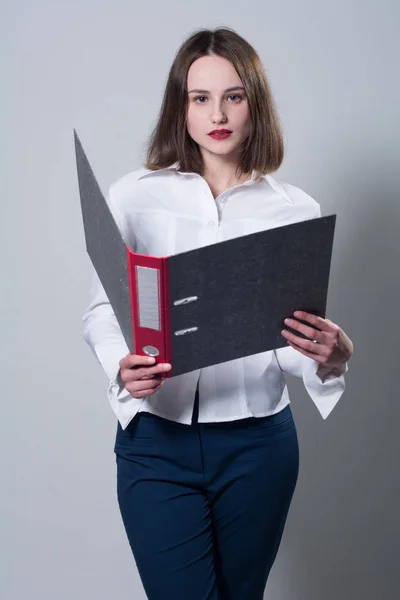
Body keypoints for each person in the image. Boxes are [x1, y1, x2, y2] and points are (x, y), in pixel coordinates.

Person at [82, 26, 353, 600]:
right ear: (180, 108)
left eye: (233, 95)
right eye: (200, 97)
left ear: (255, 102)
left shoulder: (294, 210)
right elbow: (103, 308)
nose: (217, 113)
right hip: (157, 441)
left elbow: (292, 343)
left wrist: (330, 357)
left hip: (259, 448)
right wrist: (119, 363)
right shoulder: (134, 195)